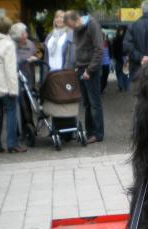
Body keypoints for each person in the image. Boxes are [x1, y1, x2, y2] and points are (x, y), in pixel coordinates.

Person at [0, 16, 26, 153]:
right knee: (11, 112)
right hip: (5, 84)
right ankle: (12, 144)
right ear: (9, 29)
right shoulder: (8, 44)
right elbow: (10, 69)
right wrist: (14, 89)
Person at [65, 10, 104, 145]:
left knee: (94, 103)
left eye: (72, 25)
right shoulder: (77, 27)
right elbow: (77, 47)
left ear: (77, 19)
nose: (73, 29)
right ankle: (89, 132)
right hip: (81, 67)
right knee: (86, 104)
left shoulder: (92, 24)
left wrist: (90, 70)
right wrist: (77, 66)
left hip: (90, 69)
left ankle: (97, 134)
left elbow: (99, 49)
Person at [43, 11, 77, 142]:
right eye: (57, 17)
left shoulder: (70, 35)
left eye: (62, 17)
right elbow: (46, 56)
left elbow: (72, 55)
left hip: (64, 73)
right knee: (54, 102)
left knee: (66, 102)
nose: (59, 19)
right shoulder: (50, 36)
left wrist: (67, 72)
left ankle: (68, 132)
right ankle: (56, 130)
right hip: (51, 74)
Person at [112, 25, 129, 92]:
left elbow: (113, 49)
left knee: (119, 72)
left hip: (118, 57)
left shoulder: (116, 39)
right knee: (126, 72)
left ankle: (120, 85)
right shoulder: (127, 38)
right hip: (125, 57)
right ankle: (126, 86)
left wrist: (114, 57)